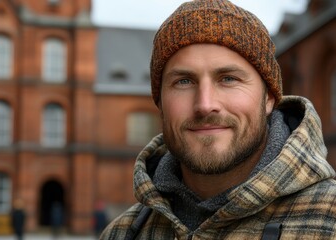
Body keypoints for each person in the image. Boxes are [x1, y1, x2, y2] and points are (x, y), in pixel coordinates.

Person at [100, 0, 336, 239]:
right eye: (184, 81)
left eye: (228, 79)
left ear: (269, 99)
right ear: (159, 103)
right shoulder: (122, 233)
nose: (205, 105)